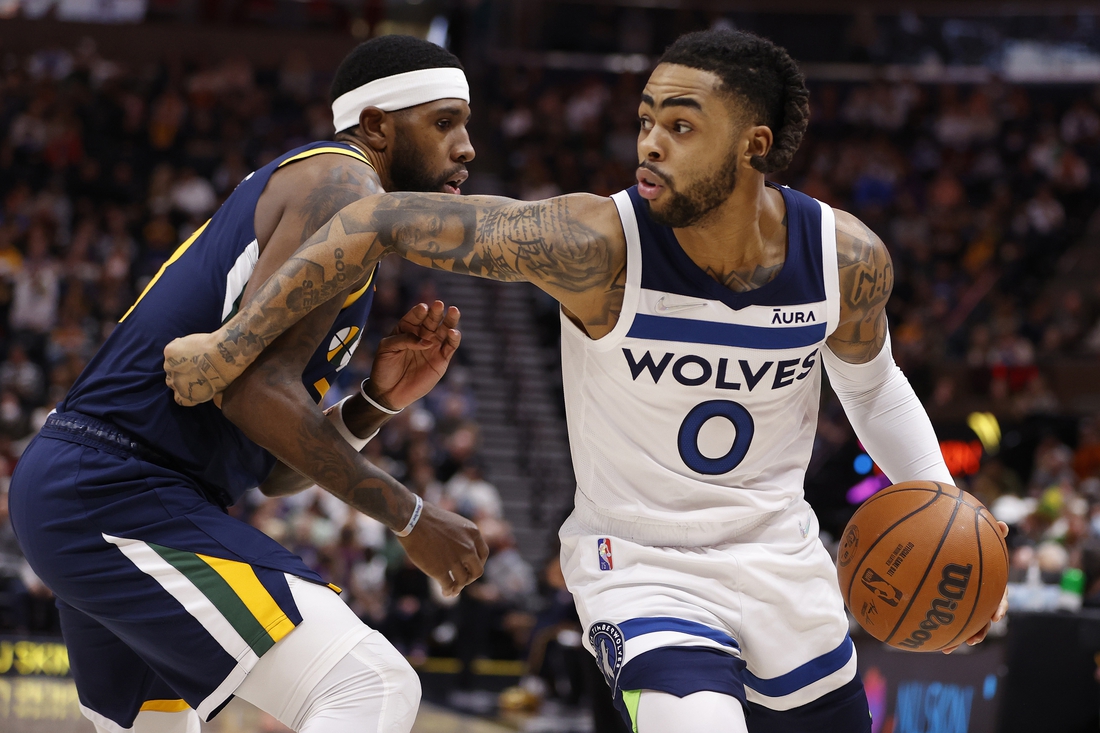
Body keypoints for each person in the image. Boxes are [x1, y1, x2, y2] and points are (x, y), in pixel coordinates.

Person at [163, 30, 1009, 733]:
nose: (649, 141)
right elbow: (376, 218)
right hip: (639, 561)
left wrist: (939, 501)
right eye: (646, 120)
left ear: (754, 143)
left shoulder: (844, 258)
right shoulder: (594, 244)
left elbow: (872, 387)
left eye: (681, 125)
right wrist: (232, 344)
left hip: (781, 554)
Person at [8, 35, 488, 733]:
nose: (467, 146)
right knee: (368, 684)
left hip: (105, 489)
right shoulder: (342, 185)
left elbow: (271, 472)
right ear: (378, 125)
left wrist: (375, 403)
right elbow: (249, 393)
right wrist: (412, 516)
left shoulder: (344, 215)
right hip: (118, 486)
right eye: (445, 122)